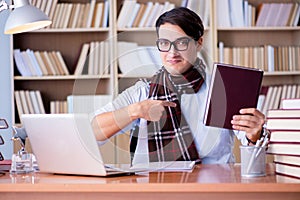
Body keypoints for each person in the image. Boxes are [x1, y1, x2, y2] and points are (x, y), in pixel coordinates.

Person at [91, 7, 265, 165]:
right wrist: (134, 111)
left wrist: (255, 134)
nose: (172, 53)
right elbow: (93, 132)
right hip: (152, 188)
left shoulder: (222, 88)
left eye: (182, 43)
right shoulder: (143, 92)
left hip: (213, 186)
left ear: (199, 43)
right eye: (165, 43)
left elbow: (250, 141)